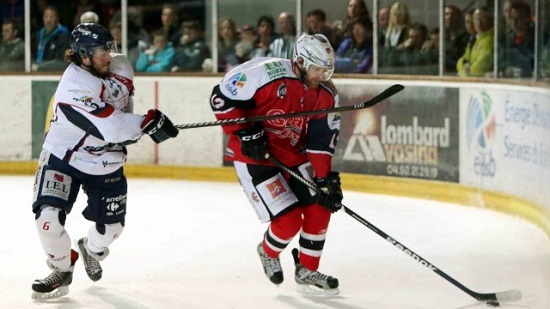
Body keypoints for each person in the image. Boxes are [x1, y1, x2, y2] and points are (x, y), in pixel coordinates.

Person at [30, 23, 179, 300]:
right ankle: (62, 270)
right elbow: (109, 125)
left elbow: (124, 111)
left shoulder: (120, 66)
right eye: (101, 52)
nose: (109, 56)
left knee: (112, 229)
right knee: (47, 221)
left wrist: (142, 126)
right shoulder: (72, 86)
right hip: (64, 156)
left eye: (110, 48)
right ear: (83, 55)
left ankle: (91, 249)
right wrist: (144, 124)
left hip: (106, 161)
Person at [209, 33, 343, 294]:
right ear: (301, 62)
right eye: (317, 70)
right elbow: (221, 99)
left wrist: (325, 179)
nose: (321, 77)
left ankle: (307, 270)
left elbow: (320, 140)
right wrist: (244, 131)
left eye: (326, 71)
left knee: (319, 206)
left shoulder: (326, 94)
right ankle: (268, 251)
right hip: (256, 157)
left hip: (294, 155)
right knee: (290, 221)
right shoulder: (265, 74)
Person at [456, 6, 494, 77]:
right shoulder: (475, 39)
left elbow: (482, 66)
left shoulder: (491, 39)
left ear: (491, 21)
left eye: (483, 19)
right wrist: (464, 68)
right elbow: (461, 60)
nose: (479, 23)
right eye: (476, 19)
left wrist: (464, 73)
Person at [31, 5, 70, 72]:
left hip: (53, 74)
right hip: (37, 73)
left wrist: (40, 67)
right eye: (46, 17)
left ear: (57, 19)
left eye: (51, 17)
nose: (48, 20)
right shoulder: (38, 35)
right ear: (43, 18)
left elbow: (60, 62)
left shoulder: (63, 36)